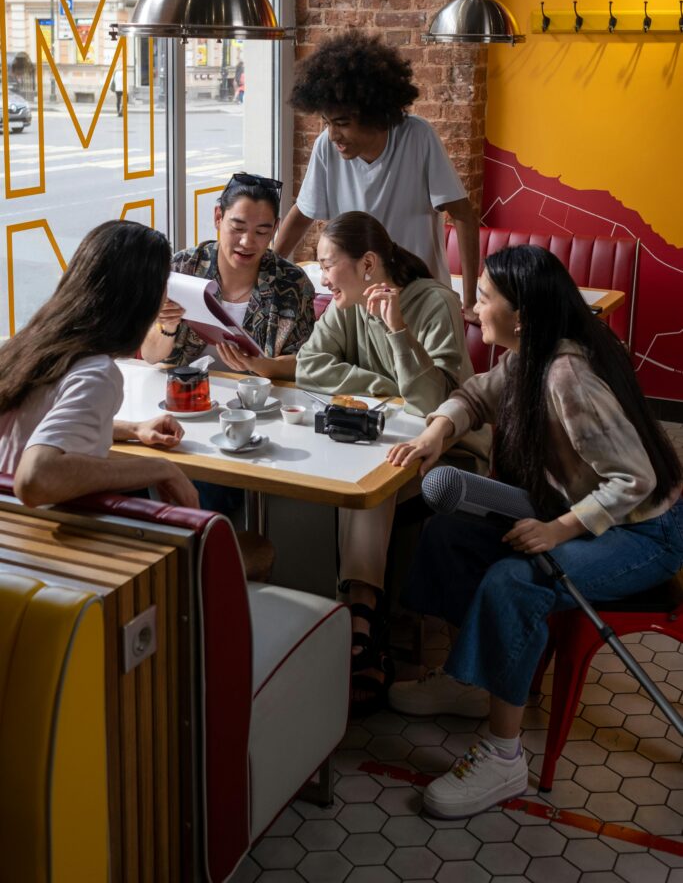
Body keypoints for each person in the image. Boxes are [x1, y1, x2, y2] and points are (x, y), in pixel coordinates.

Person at [386, 244, 683, 819]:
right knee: (448, 534)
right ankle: (471, 680)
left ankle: (503, 757)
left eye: (483, 298)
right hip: (587, 509)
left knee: (514, 578)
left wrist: (558, 530)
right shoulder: (528, 355)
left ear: (520, 313)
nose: (473, 308)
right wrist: (435, 435)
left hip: (647, 531)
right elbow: (475, 395)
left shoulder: (567, 375)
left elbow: (635, 480)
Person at [296, 212, 490, 710]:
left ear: (366, 264)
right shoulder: (347, 304)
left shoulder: (434, 302)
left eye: (327, 264)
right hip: (383, 439)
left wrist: (398, 332)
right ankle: (352, 615)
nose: (321, 278)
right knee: (351, 471)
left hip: (449, 450)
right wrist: (384, 388)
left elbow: (432, 405)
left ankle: (360, 616)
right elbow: (308, 366)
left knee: (369, 484)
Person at [274, 30, 481, 322]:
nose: (333, 135)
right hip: (357, 302)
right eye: (328, 122)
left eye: (343, 123)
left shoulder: (418, 137)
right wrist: (268, 271)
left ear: (375, 115)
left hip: (421, 299)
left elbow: (464, 216)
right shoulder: (326, 146)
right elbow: (302, 213)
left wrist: (470, 300)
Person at [0, 221, 199, 510]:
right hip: (33, 539)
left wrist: (133, 429)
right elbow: (34, 478)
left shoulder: (29, 347)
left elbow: (42, 423)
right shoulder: (97, 374)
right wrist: (160, 468)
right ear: (141, 300)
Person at [141, 172, 315, 381]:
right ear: (218, 217)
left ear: (275, 229)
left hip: (261, 401)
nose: (247, 242)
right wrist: (167, 326)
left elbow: (305, 364)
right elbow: (150, 356)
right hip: (186, 396)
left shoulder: (292, 282)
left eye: (261, 232)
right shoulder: (183, 268)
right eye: (238, 228)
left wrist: (259, 364)